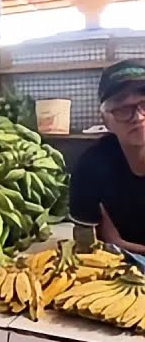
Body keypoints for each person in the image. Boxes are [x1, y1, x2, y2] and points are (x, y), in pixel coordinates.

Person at [70, 60, 145, 263]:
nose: (138, 117)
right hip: (116, 271)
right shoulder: (91, 167)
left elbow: (111, 243)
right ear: (105, 120)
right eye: (122, 109)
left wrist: (123, 245)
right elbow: (86, 245)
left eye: (144, 104)